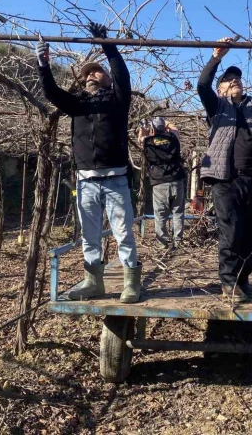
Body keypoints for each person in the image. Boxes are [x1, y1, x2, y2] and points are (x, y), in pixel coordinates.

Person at [36, 22, 142, 304]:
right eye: (87, 75)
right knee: (90, 237)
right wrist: (43, 65)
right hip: (86, 181)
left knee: (123, 234)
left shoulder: (118, 100)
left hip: (116, 179)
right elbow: (51, 93)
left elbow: (121, 73)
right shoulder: (77, 105)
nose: (91, 76)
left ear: (107, 79)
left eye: (97, 72)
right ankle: (93, 282)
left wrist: (105, 43)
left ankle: (132, 282)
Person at [197, 37, 252, 302]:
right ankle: (228, 283)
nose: (234, 80)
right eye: (228, 79)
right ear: (221, 88)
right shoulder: (216, 107)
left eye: (237, 78)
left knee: (251, 232)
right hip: (225, 179)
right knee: (230, 230)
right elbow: (202, 85)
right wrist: (216, 57)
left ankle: (243, 280)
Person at [138, 116, 187, 249]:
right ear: (164, 128)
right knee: (178, 213)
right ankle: (178, 242)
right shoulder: (173, 138)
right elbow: (175, 129)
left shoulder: (148, 141)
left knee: (160, 214)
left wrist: (143, 127)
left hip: (159, 182)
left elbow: (140, 138)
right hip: (177, 180)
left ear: (152, 129)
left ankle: (162, 242)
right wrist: (166, 122)